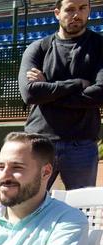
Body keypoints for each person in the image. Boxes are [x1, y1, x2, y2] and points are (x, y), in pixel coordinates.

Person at [19, 0, 103, 189]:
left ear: (89, 9)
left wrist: (47, 89)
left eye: (82, 8)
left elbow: (100, 93)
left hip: (81, 145)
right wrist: (78, 84)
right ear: (57, 13)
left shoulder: (99, 47)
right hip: (39, 142)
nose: (77, 15)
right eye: (70, 9)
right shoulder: (38, 48)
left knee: (81, 209)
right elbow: (30, 94)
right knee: (31, 205)